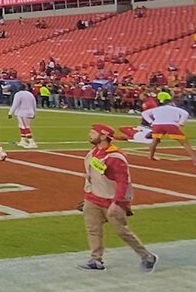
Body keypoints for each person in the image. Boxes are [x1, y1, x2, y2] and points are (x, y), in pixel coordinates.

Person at [80, 124, 157, 272]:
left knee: (122, 231)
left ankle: (146, 256)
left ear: (103, 136)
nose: (89, 135)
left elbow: (123, 182)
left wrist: (118, 203)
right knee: (93, 230)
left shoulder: (115, 158)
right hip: (92, 197)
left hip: (110, 201)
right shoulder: (94, 152)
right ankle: (96, 259)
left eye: (93, 133)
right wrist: (88, 193)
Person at [141, 96, 196, 164]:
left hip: (157, 125)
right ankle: (194, 159)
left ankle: (150, 156)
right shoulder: (174, 108)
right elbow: (185, 113)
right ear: (170, 103)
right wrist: (181, 123)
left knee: (155, 141)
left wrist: (151, 122)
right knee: (184, 142)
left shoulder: (157, 109)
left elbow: (144, 113)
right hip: (171, 125)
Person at [8, 83, 38, 149]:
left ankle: (32, 142)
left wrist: (10, 112)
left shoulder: (18, 94)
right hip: (29, 112)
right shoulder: (30, 94)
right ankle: (23, 141)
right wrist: (34, 112)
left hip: (22, 112)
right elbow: (34, 103)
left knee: (25, 127)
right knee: (22, 126)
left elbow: (15, 104)